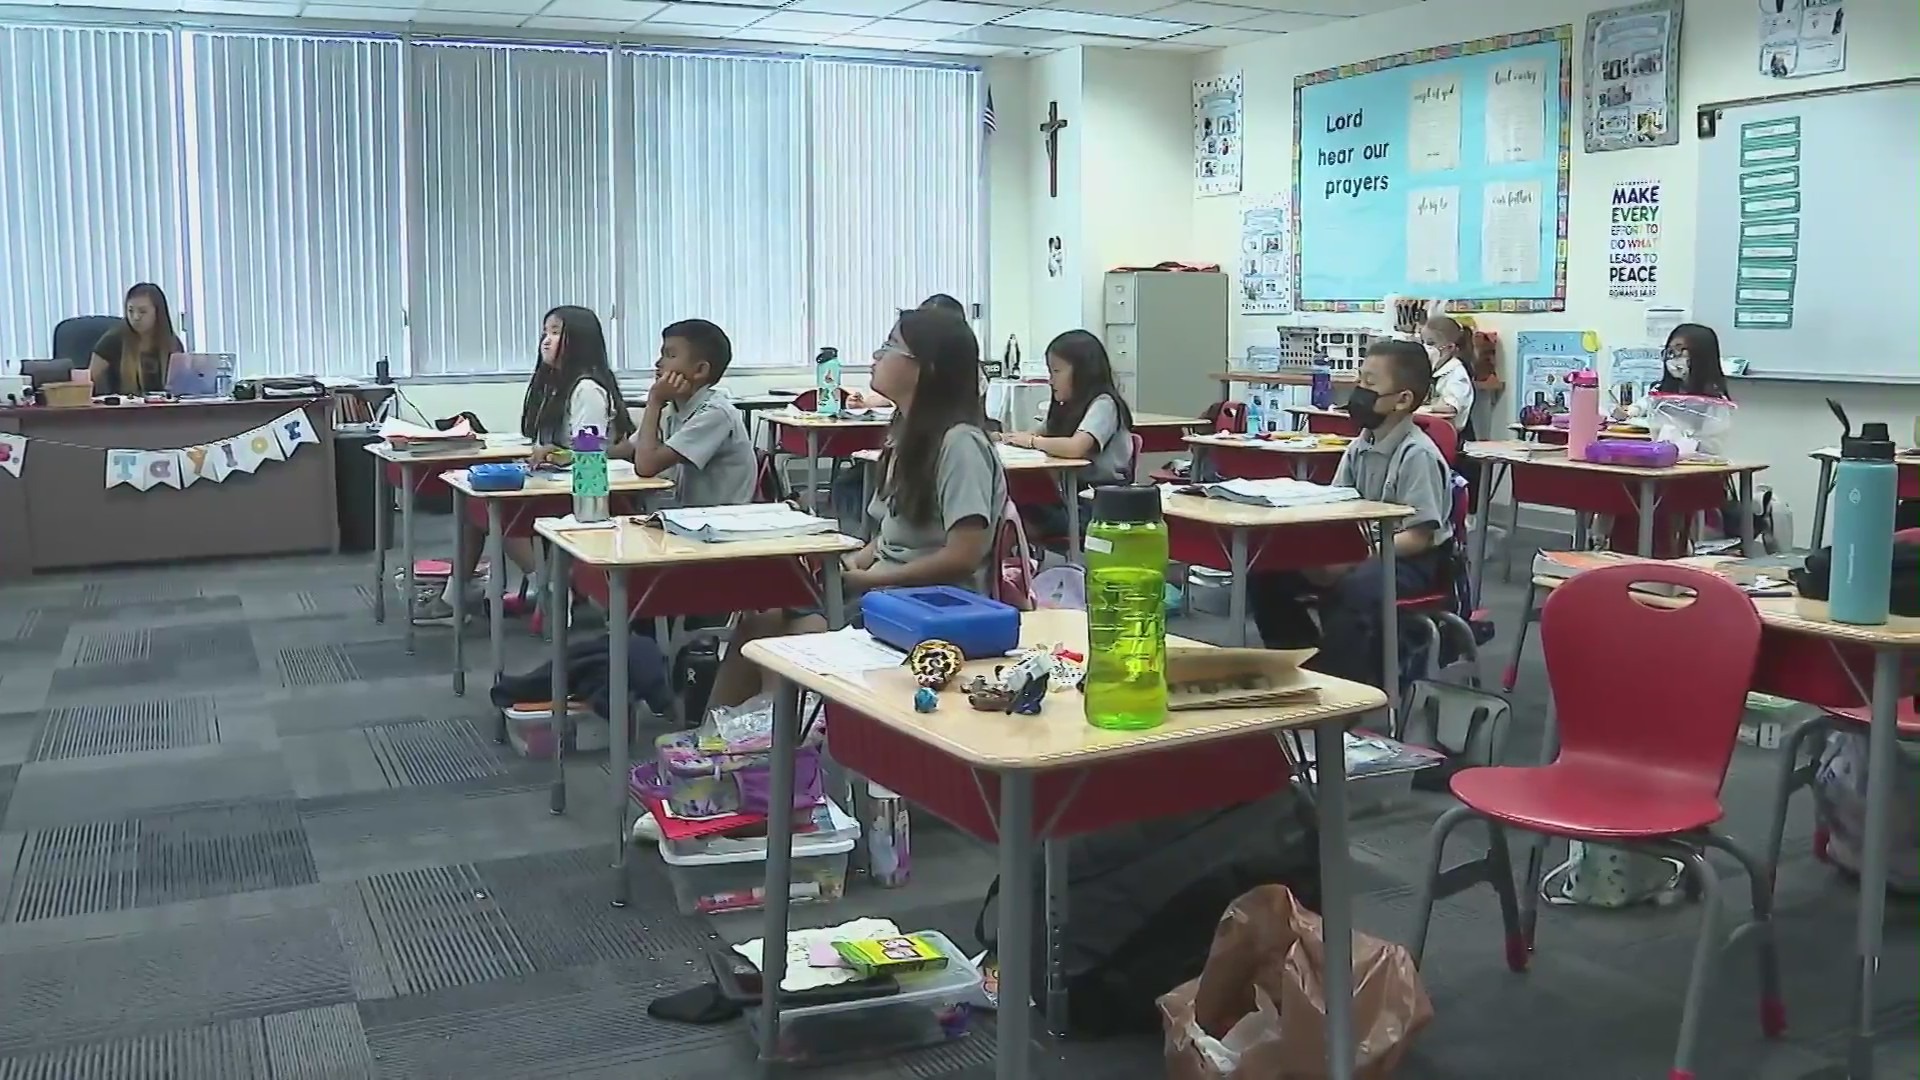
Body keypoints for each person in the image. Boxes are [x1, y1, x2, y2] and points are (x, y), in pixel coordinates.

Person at [710, 306, 1008, 707]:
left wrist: (870, 580)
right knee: (759, 616)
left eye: (889, 346)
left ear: (927, 367)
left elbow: (964, 555)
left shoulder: (960, 444)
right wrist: (856, 562)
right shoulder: (908, 436)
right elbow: (891, 533)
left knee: (780, 639)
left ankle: (772, 748)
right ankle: (717, 744)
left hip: (927, 607)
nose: (875, 355)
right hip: (888, 593)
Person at [1246, 340, 1453, 688]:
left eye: (1371, 384)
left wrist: (1354, 557)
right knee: (1267, 572)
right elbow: (1335, 503)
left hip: (1411, 559)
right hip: (1362, 547)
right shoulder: (1361, 445)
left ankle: (1341, 688)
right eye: (1360, 380)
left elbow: (1420, 536)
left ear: (1402, 400)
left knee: (1355, 589)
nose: (1360, 391)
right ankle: (1300, 663)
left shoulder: (1417, 454)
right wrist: (1324, 552)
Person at [416, 306, 631, 625]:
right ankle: (457, 597)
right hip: (557, 482)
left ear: (579, 341)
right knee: (474, 509)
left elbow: (589, 452)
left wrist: (556, 456)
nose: (546, 340)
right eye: (545, 332)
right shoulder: (555, 384)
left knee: (496, 512)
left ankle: (550, 586)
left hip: (587, 491)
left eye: (556, 332)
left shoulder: (587, 390)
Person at [996, 329, 1134, 538]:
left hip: (1099, 505)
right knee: (1007, 512)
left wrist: (1033, 442)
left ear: (1083, 372)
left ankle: (1014, 567)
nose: (1050, 381)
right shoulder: (1067, 407)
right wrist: (1005, 439)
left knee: (1014, 521)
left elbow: (1076, 447)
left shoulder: (1104, 404)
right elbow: (1035, 434)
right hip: (1070, 498)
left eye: (1056, 372)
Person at [616, 318, 756, 508]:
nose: (658, 363)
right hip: (686, 518)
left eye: (670, 355)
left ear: (700, 370)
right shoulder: (675, 406)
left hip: (718, 523)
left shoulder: (715, 413)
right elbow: (629, 448)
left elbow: (646, 466)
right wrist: (579, 455)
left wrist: (654, 401)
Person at [88, 283, 184, 395]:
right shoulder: (113, 340)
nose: (135, 317)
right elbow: (87, 383)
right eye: (130, 311)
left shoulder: (172, 343)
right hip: (122, 409)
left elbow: (182, 387)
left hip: (163, 409)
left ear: (158, 313)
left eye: (142, 312)